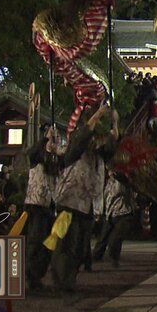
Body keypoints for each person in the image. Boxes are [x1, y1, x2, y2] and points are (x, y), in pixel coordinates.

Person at [48, 105, 117, 301]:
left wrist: (115, 123)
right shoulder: (76, 148)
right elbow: (81, 138)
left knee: (79, 246)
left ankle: (69, 279)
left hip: (86, 205)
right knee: (66, 244)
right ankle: (61, 280)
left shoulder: (98, 155)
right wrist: (97, 115)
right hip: (69, 201)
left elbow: (111, 147)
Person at [23, 125, 59, 290]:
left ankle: (38, 274)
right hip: (36, 204)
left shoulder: (55, 160)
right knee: (35, 241)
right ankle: (31, 275)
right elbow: (32, 153)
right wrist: (45, 138)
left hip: (50, 205)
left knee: (48, 243)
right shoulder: (37, 158)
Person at [93, 169, 136, 267]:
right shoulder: (107, 183)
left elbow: (125, 180)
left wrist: (117, 174)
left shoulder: (123, 181)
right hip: (110, 214)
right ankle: (96, 257)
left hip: (123, 214)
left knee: (115, 239)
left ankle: (114, 259)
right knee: (102, 238)